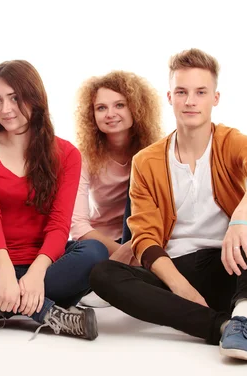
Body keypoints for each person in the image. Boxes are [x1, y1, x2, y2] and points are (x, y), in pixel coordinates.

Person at [89, 48, 247, 361]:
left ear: (215, 98)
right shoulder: (146, 161)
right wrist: (180, 287)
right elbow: (145, 237)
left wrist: (239, 217)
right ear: (170, 97)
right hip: (175, 270)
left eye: (200, 92)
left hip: (231, 266)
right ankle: (233, 327)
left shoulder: (229, 141)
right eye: (182, 92)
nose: (190, 101)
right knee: (103, 273)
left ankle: (244, 310)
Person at [0, 60, 108, 340]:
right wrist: (4, 272)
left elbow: (59, 223)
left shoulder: (67, 154)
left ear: (35, 98)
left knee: (95, 252)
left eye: (15, 98)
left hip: (47, 272)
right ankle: (49, 314)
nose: (5, 109)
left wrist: (36, 274)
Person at [71, 70, 163, 307]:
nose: (110, 114)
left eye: (119, 105)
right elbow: (78, 224)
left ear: (136, 108)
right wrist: (123, 254)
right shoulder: (83, 158)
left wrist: (139, 248)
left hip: (146, 236)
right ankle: (120, 277)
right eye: (101, 108)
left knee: (140, 171)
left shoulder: (156, 151)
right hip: (103, 242)